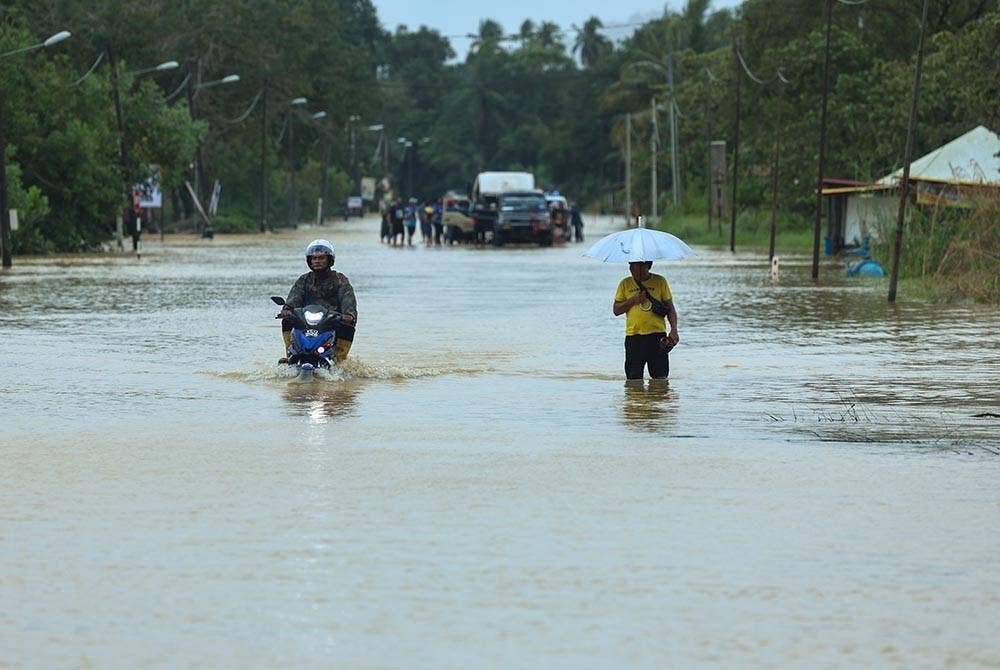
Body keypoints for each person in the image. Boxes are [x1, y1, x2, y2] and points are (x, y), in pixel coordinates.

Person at [279, 239, 358, 365]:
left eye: (321, 258)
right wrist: (287, 309)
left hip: (332, 322)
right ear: (309, 261)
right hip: (305, 321)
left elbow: (348, 301)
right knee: (287, 320)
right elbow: (294, 297)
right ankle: (290, 354)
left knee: (347, 327)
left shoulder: (340, 280)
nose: (317, 261)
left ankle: (339, 360)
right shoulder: (304, 279)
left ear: (329, 260)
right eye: (314, 258)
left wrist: (348, 315)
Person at [612, 261, 679, 380]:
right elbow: (616, 310)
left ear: (648, 266)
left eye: (639, 268)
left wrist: (674, 329)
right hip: (634, 337)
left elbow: (670, 308)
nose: (635, 271)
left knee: (660, 379)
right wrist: (633, 300)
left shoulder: (660, 281)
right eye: (632, 268)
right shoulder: (625, 283)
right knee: (633, 381)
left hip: (657, 337)